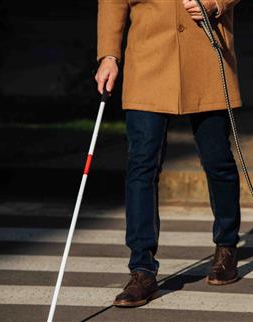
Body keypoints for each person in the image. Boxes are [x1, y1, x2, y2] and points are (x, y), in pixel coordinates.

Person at [95, 0, 242, 307]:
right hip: (148, 59)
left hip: (206, 51)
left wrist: (217, 3)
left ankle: (226, 246)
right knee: (141, 165)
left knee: (218, 161)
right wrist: (109, 55)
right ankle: (142, 269)